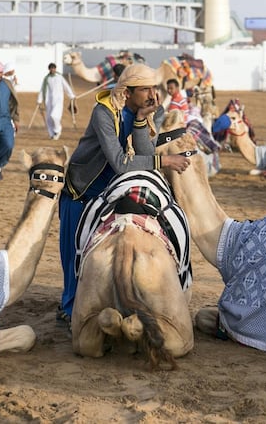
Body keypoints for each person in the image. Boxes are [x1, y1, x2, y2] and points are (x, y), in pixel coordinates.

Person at [56, 64, 192, 323]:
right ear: (127, 92)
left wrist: (142, 119)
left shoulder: (154, 109)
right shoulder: (104, 113)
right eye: (144, 89)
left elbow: (143, 153)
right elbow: (120, 162)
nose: (152, 94)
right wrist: (165, 162)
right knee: (74, 257)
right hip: (83, 190)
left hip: (110, 192)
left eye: (154, 87)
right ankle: (70, 310)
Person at [37, 62, 75, 140]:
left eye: (54, 68)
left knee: (54, 116)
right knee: (49, 118)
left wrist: (71, 95)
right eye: (51, 68)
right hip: (49, 101)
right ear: (49, 69)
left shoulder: (59, 77)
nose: (53, 70)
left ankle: (57, 130)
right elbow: (42, 89)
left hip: (58, 100)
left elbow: (66, 86)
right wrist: (39, 100)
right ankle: (52, 134)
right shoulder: (46, 79)